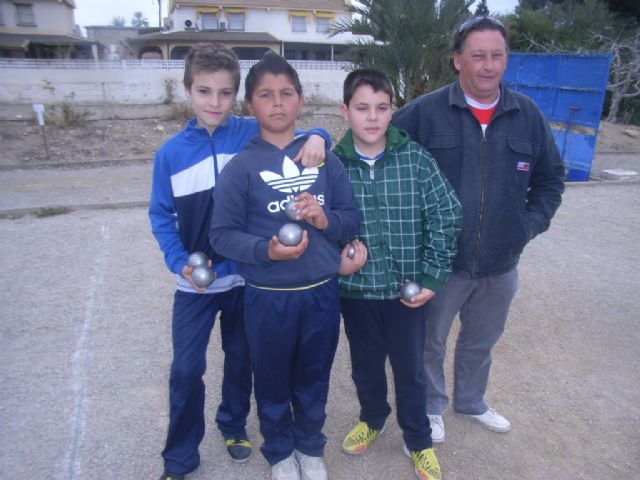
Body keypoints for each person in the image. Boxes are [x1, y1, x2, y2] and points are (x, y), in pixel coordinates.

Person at [149, 43, 330, 480]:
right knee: (186, 368)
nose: (215, 102)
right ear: (188, 90)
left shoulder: (249, 133)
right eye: (204, 91)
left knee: (241, 358)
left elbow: (299, 128)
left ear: (237, 97)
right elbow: (161, 215)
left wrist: (320, 137)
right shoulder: (170, 154)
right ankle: (179, 458)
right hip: (195, 281)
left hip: (245, 277)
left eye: (225, 93)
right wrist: (179, 261)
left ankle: (232, 424)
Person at [392, 16, 565, 443]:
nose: (488, 65)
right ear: (458, 60)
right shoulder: (424, 113)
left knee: (482, 339)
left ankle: (471, 401)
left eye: (497, 56)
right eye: (478, 56)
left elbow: (551, 179)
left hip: (501, 262)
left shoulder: (527, 115)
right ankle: (432, 407)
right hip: (439, 263)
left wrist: (526, 226)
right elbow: (374, 146)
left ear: (506, 59)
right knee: (429, 341)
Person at [209, 51, 360, 480]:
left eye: (286, 93)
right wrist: (267, 251)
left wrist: (324, 220)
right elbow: (221, 235)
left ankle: (310, 447)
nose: (277, 102)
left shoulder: (323, 159)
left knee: (314, 377)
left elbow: (351, 219)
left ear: (301, 100)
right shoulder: (241, 168)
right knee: (272, 380)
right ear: (249, 105)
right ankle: (279, 452)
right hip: (267, 298)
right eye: (265, 95)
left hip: (320, 295)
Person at [334, 68, 462, 480]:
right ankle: (372, 418)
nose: (372, 117)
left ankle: (419, 439)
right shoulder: (333, 166)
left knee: (411, 371)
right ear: (345, 111)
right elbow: (321, 223)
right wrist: (337, 260)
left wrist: (433, 276)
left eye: (382, 107)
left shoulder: (416, 160)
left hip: (407, 295)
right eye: (362, 108)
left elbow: (447, 213)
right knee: (365, 366)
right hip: (356, 291)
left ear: (393, 111)